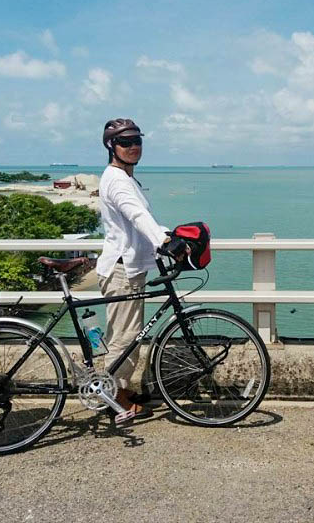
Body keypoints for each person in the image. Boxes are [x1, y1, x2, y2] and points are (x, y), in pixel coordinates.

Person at [97, 118, 185, 416]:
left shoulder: (125, 177)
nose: (133, 147)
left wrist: (170, 234)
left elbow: (139, 221)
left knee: (130, 334)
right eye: (125, 142)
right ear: (111, 146)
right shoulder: (117, 180)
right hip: (122, 269)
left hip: (130, 267)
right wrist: (163, 241)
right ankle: (115, 397)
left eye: (137, 141)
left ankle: (120, 388)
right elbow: (135, 216)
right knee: (124, 336)